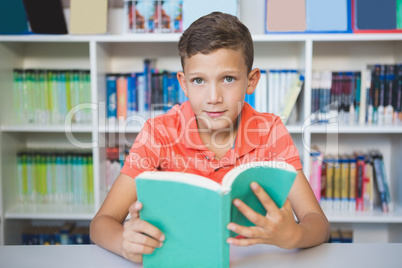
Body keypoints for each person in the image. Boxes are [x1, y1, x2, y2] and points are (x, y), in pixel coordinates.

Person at [90, 11, 330, 263]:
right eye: (199, 80)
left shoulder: (269, 130)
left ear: (251, 81)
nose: (213, 97)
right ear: (183, 83)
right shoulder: (157, 133)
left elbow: (319, 224)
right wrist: (124, 242)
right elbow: (101, 224)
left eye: (228, 79)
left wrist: (294, 235)